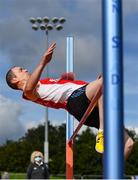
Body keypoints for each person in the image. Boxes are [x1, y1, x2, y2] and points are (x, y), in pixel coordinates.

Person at [6, 42, 134, 158]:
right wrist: (43, 62)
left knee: (128, 144)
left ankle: (113, 174)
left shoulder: (44, 82)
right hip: (75, 101)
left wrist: (76, 82)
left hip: (89, 105)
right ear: (14, 80)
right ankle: (102, 133)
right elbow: (29, 87)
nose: (26, 69)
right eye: (21, 70)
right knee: (103, 83)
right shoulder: (28, 93)